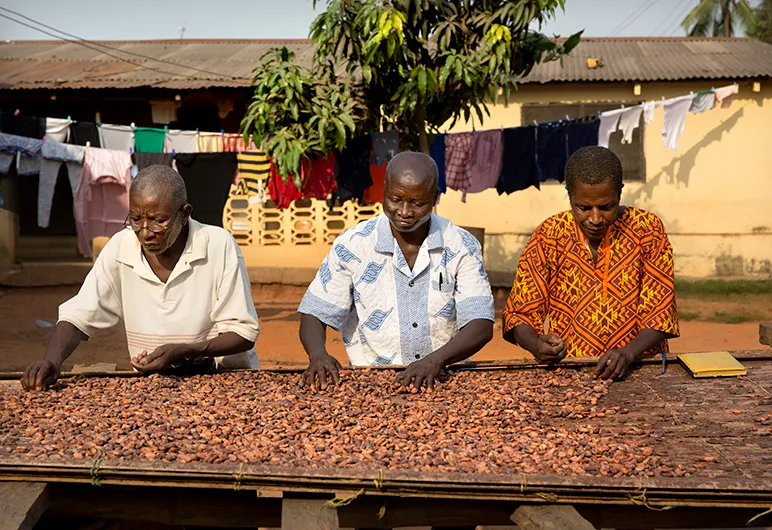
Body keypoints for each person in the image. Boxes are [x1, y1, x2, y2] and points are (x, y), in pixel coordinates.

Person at [21, 165, 260, 391]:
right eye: (136, 219)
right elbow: (78, 315)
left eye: (159, 221)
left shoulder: (218, 245)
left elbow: (243, 333)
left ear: (184, 214)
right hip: (154, 384)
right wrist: (52, 359)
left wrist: (186, 351)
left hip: (223, 380)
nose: (145, 232)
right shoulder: (121, 247)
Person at [298, 151, 495, 391]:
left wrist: (435, 360)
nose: (404, 212)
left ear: (434, 198)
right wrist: (317, 354)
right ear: (384, 190)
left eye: (417, 203)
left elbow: (480, 324)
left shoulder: (461, 244)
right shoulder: (353, 244)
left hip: (445, 378)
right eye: (395, 199)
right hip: (372, 382)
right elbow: (315, 312)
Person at [502, 146, 679, 381]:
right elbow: (520, 314)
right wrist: (536, 345)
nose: (595, 219)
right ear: (570, 196)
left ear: (620, 193)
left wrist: (627, 354)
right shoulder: (550, 235)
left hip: (641, 370)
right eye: (583, 208)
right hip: (570, 373)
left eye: (606, 207)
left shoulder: (647, 230)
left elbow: (660, 314)